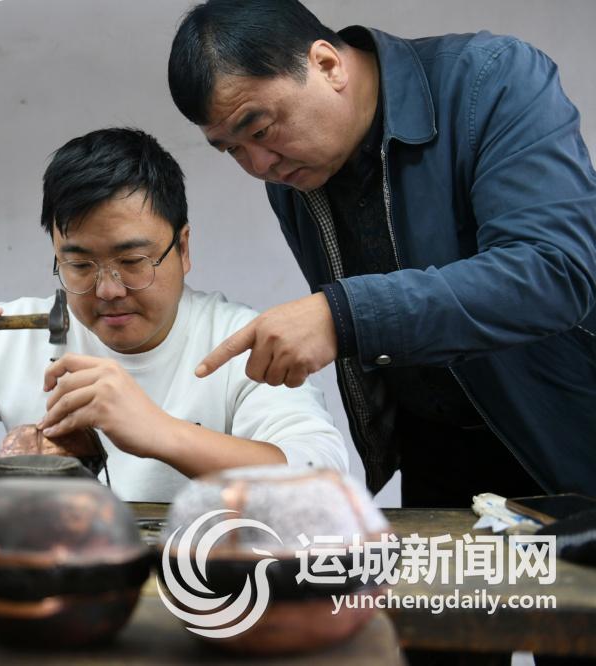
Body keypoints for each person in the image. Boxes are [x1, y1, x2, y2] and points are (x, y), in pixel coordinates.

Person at [167, 0, 596, 508]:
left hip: (567, 443)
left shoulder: (492, 79)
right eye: (233, 149)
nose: (259, 164)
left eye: (260, 130)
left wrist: (344, 316)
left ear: (327, 64)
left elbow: (553, 271)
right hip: (436, 458)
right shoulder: (293, 172)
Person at [0, 127, 347, 502]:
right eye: (79, 265)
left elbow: (320, 477)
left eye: (133, 261)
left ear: (183, 248)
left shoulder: (238, 342)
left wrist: (159, 432)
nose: (108, 290)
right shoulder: (20, 332)